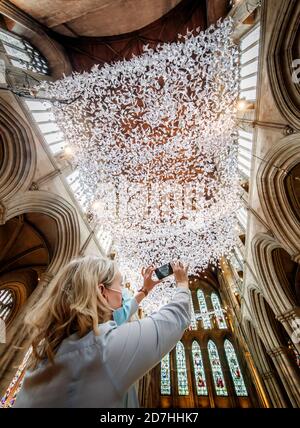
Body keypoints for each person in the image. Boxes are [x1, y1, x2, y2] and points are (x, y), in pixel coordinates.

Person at [14, 256, 191, 408]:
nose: (123, 293)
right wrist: (182, 283)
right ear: (101, 291)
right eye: (120, 285)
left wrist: (145, 290)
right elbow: (175, 318)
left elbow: (124, 312)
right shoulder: (103, 348)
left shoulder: (51, 348)